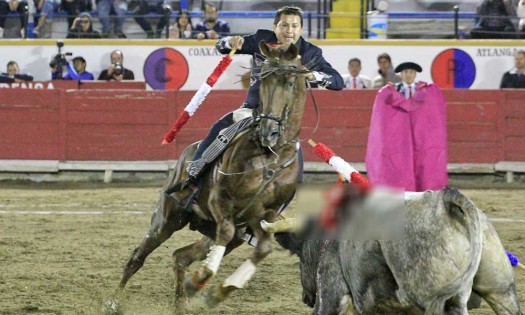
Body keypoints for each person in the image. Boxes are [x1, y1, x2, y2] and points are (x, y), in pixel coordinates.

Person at [174, 5, 344, 201]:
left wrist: (312, 74)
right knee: (220, 129)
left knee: (295, 178)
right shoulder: (261, 39)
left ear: (301, 29)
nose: (289, 30)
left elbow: (337, 81)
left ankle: (281, 204)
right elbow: (221, 46)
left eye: (294, 26)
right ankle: (192, 178)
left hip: (285, 122)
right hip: (252, 111)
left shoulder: (310, 53)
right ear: (275, 26)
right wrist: (230, 41)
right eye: (284, 25)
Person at [365, 62, 448, 192]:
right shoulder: (391, 92)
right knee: (399, 160)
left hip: (421, 136)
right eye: (405, 72)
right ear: (401, 74)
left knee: (424, 160)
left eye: (411, 72)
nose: (408, 75)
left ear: (415, 74)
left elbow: (432, 118)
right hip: (399, 137)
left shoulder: (428, 91)